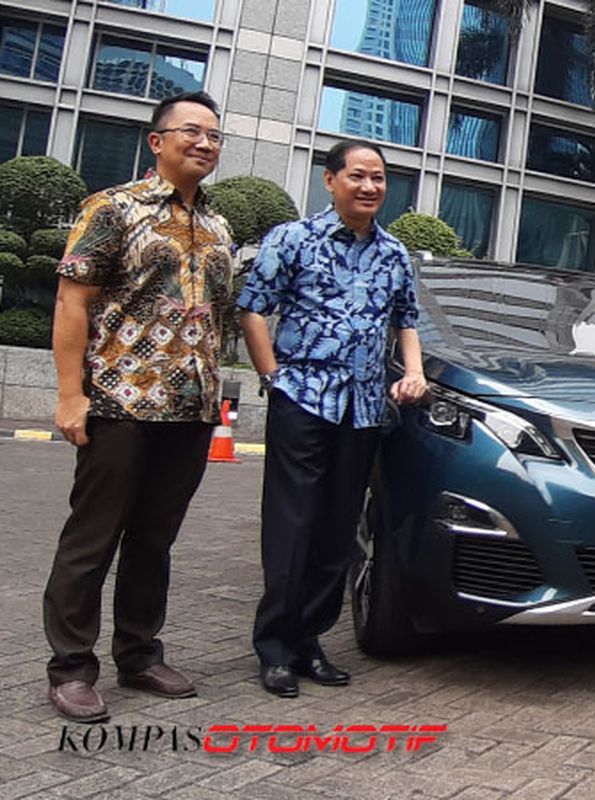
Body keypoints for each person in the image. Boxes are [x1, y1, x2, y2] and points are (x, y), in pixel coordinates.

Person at [43, 92, 234, 722]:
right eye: (191, 131)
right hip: (120, 402)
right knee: (92, 539)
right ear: (157, 141)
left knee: (155, 541)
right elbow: (73, 301)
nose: (205, 143)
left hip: (191, 411)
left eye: (214, 135)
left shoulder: (217, 225)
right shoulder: (112, 208)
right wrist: (72, 395)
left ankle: (139, 654)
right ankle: (71, 667)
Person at [239, 139, 426, 698]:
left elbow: (406, 320)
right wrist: (274, 377)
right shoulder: (292, 239)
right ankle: (274, 646)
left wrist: (411, 371)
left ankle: (309, 641)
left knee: (339, 528)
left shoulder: (395, 253)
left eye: (379, 178)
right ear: (331, 180)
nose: (370, 187)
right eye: (358, 176)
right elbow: (252, 306)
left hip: (364, 406)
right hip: (303, 396)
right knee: (292, 523)